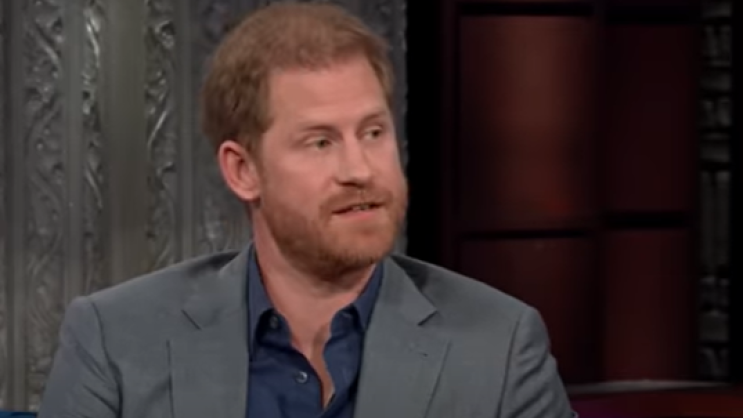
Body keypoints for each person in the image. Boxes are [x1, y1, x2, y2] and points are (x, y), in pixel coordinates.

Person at [38, 2, 575, 417]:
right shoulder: (115, 340)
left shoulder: (499, 346)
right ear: (243, 170)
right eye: (320, 142)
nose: (360, 169)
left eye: (373, 132)